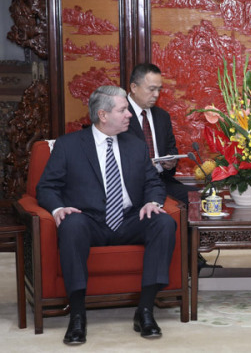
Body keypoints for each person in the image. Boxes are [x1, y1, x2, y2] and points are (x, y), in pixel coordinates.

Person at [37, 86, 176, 345]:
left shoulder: (135, 145)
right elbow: (46, 187)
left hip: (129, 218)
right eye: (123, 110)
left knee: (164, 221)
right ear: (103, 115)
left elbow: (153, 183)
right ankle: (77, 315)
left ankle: (145, 310)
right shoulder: (69, 145)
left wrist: (152, 202)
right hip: (88, 221)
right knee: (71, 223)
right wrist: (58, 209)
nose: (129, 115)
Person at [126, 63, 197, 206]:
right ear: (134, 87)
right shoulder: (119, 114)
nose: (156, 95)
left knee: (199, 196)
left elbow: (171, 148)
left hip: (162, 180)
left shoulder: (162, 116)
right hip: (133, 185)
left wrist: (170, 163)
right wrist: (144, 165)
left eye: (159, 89)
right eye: (151, 89)